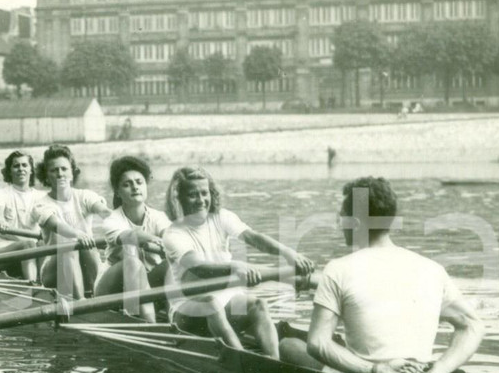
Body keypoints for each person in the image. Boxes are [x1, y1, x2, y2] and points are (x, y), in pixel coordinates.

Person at [280, 177, 483, 373]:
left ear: (356, 222)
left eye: (343, 217)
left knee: (289, 345)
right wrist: (441, 369)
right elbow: (473, 325)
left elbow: (317, 343)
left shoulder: (338, 269)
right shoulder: (432, 268)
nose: (340, 224)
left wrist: (377, 370)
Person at [162, 166, 315, 358]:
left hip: (225, 302)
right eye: (193, 195)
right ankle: (243, 361)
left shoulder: (221, 217)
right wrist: (236, 267)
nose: (201, 200)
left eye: (204, 193)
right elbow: (198, 267)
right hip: (187, 312)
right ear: (179, 199)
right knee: (211, 303)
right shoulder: (173, 233)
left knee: (258, 304)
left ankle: (273, 362)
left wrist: (288, 252)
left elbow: (253, 237)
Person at [94, 156, 171, 322]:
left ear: (146, 185)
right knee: (134, 263)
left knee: (173, 262)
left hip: (145, 287)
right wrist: (158, 242)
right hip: (112, 290)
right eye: (127, 184)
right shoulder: (112, 220)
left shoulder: (159, 217)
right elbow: (131, 237)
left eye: (139, 182)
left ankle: (175, 319)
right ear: (117, 191)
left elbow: (173, 240)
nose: (135, 187)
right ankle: (151, 327)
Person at [32, 145, 111, 298]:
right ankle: (80, 303)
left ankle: (96, 297)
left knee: (88, 248)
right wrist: (78, 234)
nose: (60, 174)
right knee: (69, 245)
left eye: (64, 169)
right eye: (54, 170)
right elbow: (57, 225)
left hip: (86, 260)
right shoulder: (41, 204)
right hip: (54, 272)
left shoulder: (85, 196)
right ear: (46, 176)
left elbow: (105, 212)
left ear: (72, 173)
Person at [0, 150, 45, 281]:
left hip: (32, 253)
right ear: (9, 171)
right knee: (28, 245)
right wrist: (0, 221)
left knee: (43, 244)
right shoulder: (1, 194)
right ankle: (33, 288)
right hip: (3, 252)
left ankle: (43, 285)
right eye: (16, 166)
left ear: (31, 170)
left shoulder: (41, 197)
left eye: (25, 165)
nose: (21, 169)